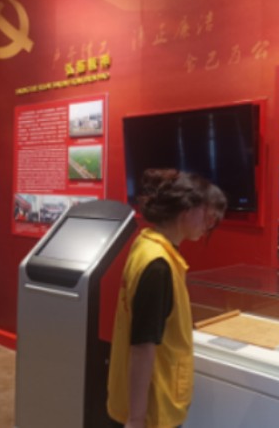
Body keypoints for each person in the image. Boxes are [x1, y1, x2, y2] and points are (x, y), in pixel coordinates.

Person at [107, 168, 227, 428]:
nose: (207, 225)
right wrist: (136, 418)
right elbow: (143, 347)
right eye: (206, 215)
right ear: (187, 210)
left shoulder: (146, 244)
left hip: (148, 399)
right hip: (154, 408)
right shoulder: (159, 266)